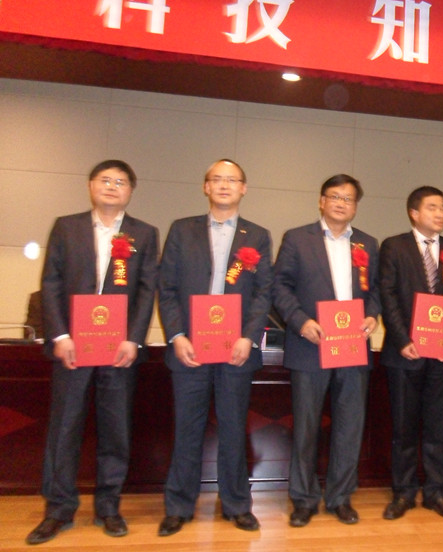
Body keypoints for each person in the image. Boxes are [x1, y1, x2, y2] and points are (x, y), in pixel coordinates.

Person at [27, 160, 159, 545]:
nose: (112, 186)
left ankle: (108, 507)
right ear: (90, 185)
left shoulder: (143, 233)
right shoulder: (66, 227)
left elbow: (146, 289)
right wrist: (59, 335)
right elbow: (51, 283)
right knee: (64, 428)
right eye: (105, 180)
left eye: (121, 182)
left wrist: (134, 339)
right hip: (73, 347)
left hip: (119, 350)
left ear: (130, 191)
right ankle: (58, 509)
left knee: (115, 430)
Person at [157, 159, 273, 536]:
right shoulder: (182, 230)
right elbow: (167, 288)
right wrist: (177, 335)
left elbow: (263, 293)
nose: (224, 185)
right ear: (205, 187)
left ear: (243, 188)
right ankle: (179, 506)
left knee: (234, 428)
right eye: (217, 179)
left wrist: (248, 337)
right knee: (187, 428)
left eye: (232, 180)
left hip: (235, 349)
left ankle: (237, 504)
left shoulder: (258, 236)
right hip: (190, 347)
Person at [273, 174, 380, 527]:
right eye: (334, 196)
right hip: (311, 344)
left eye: (348, 199)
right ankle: (304, 499)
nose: (340, 203)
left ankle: (340, 498)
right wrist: (300, 321)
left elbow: (376, 290)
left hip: (353, 346)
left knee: (350, 426)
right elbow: (280, 287)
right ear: (321, 201)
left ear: (355, 206)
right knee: (306, 427)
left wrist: (373, 315)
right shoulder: (296, 238)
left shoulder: (367, 243)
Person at [379, 186, 443, 521]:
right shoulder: (394, 246)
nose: (440, 213)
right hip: (405, 353)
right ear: (414, 213)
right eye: (432, 207)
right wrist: (402, 339)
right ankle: (403, 493)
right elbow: (387, 294)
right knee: (404, 428)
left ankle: (436, 494)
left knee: (439, 428)